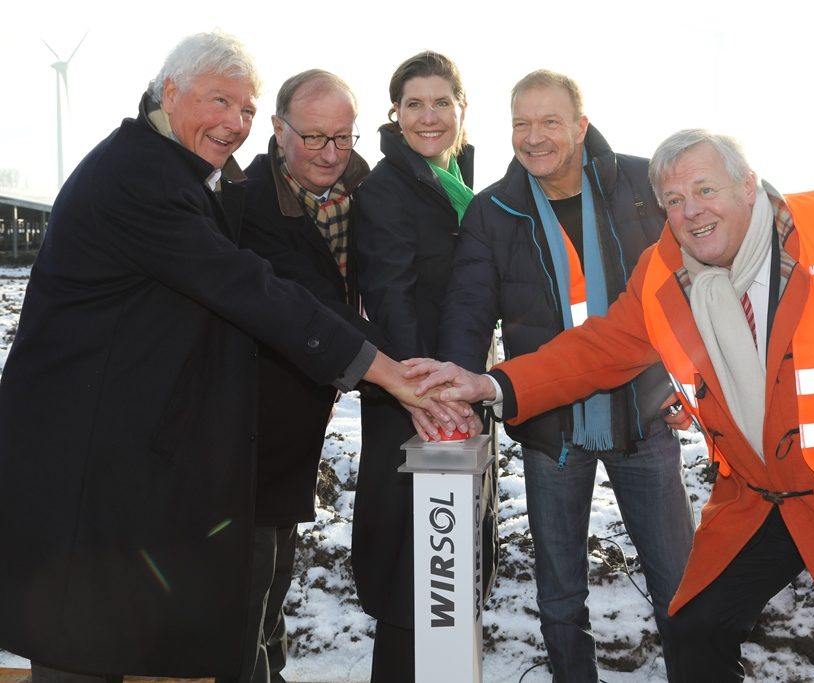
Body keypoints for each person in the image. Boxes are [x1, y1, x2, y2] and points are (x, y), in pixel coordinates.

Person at [0, 32, 469, 682]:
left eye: (244, 109)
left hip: (126, 456)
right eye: (220, 101)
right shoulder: (143, 181)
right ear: (170, 92)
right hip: (83, 460)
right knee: (80, 642)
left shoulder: (180, 173)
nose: (233, 122)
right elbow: (252, 287)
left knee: (114, 638)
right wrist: (391, 372)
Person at [410, 129, 814, 682]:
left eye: (705, 190)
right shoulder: (664, 270)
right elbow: (597, 350)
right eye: (674, 200)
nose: (691, 211)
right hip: (762, 497)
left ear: (748, 187)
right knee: (696, 628)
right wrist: (493, 384)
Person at [434, 69, 693, 681]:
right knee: (559, 597)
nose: (534, 136)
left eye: (550, 121)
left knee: (681, 585)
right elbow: (468, 313)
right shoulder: (494, 210)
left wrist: (693, 382)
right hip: (551, 427)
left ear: (580, 125)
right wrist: (455, 394)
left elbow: (693, 285)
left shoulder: (642, 184)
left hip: (643, 411)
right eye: (521, 123)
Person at [350, 51, 498, 683]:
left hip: (459, 395)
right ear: (396, 114)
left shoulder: (457, 181)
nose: (429, 116)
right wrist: (429, 395)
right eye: (414, 104)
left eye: (442, 102)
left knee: (451, 562)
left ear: (463, 109)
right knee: (414, 566)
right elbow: (391, 298)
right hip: (414, 405)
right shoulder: (387, 190)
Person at [229, 69, 377, 683]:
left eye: (342, 138)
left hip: (307, 403)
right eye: (314, 137)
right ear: (277, 128)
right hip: (252, 409)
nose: (330, 153)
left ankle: (273, 666)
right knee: (249, 567)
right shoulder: (245, 202)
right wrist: (395, 365)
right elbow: (306, 297)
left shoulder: (367, 193)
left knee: (279, 557)